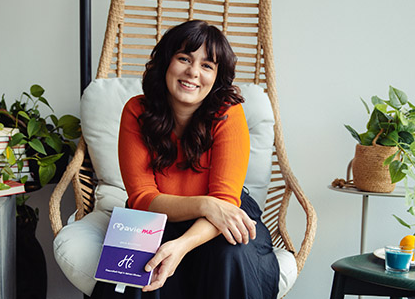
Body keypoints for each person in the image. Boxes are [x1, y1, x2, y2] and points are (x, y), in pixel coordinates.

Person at [91, 20, 279, 299]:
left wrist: (181, 245)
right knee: (143, 267)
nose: (193, 72)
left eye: (207, 66)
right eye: (184, 59)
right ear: (167, 62)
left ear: (217, 77)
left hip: (218, 220)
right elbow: (143, 198)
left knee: (232, 255)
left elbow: (225, 203)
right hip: (155, 217)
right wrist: (205, 204)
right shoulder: (136, 111)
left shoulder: (229, 113)